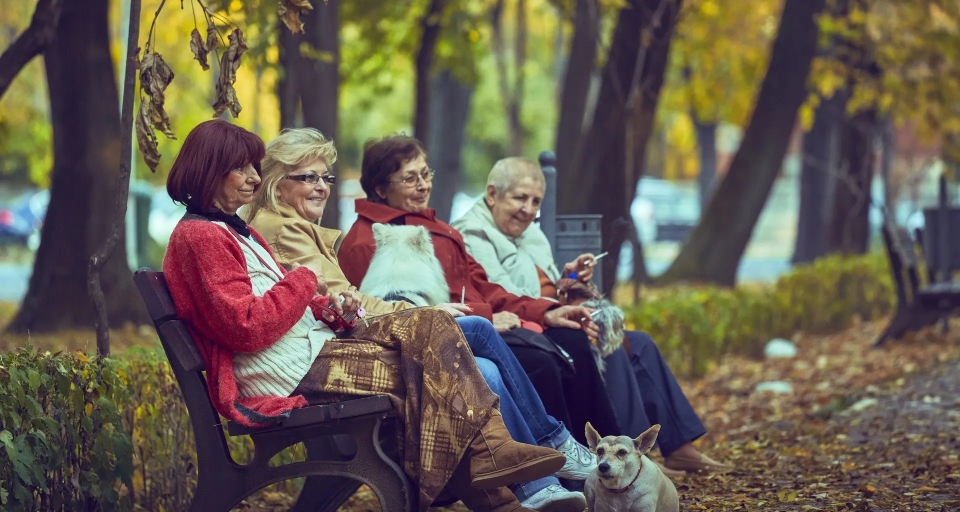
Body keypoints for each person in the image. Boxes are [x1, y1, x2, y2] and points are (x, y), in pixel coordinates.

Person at [160, 120, 567, 512]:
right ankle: (497, 477)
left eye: (254, 165)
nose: (254, 176)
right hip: (291, 370)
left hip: (309, 353)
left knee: (436, 331)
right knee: (442, 370)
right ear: (211, 170)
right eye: (241, 168)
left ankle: (496, 469)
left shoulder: (230, 230)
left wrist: (330, 308)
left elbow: (272, 305)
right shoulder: (203, 236)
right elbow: (245, 326)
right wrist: (304, 281)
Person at [338, 135, 622, 450]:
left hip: (476, 328)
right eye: (410, 178)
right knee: (542, 361)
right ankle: (558, 469)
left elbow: (484, 288)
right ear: (380, 188)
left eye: (425, 174)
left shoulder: (432, 228)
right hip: (440, 347)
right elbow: (389, 315)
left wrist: (545, 310)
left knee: (573, 341)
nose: (423, 185)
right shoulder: (370, 241)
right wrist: (487, 317)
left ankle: (608, 454)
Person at [451, 156, 733, 474]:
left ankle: (680, 446)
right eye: (519, 198)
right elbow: (505, 297)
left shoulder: (529, 233)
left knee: (641, 344)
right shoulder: (472, 237)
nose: (528, 210)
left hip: (554, 315)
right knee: (613, 346)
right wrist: (557, 305)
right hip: (532, 327)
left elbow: (544, 288)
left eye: (535, 202)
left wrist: (569, 281)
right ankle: (631, 456)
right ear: (492, 194)